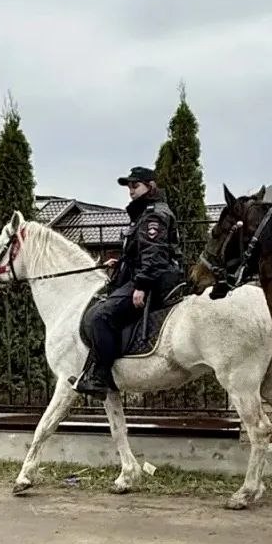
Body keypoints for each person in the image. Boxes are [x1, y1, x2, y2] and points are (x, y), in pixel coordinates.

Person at [75, 166, 185, 395]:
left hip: (154, 281)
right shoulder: (144, 213)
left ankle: (101, 376)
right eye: (129, 186)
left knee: (100, 316)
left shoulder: (154, 215)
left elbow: (153, 256)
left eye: (135, 185)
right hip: (144, 275)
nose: (130, 191)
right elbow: (142, 252)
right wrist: (121, 261)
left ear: (150, 186)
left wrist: (141, 287)